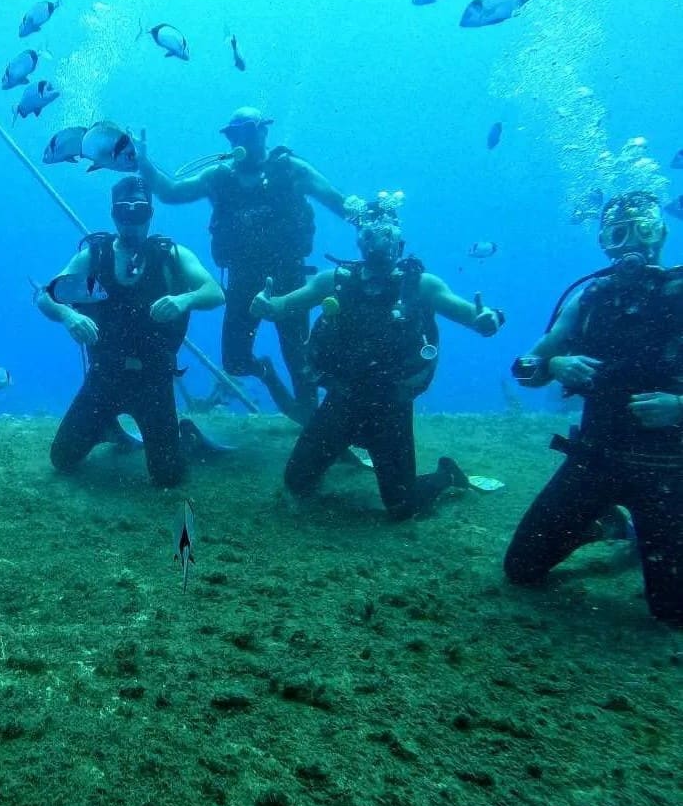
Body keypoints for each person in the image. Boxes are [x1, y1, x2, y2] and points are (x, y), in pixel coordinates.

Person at [251, 200, 504, 517]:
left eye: (387, 237)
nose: (378, 246)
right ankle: (340, 449)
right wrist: (267, 306)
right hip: (343, 397)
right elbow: (283, 305)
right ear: (360, 242)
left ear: (400, 243)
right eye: (370, 237)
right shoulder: (335, 281)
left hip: (391, 404)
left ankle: (446, 476)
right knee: (297, 482)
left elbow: (470, 314)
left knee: (401, 506)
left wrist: (487, 319)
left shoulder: (420, 285)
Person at [504, 191, 683, 626]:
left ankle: (643, 538)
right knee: (521, 568)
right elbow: (524, 368)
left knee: (673, 613)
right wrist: (553, 364)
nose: (631, 245)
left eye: (643, 231)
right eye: (617, 235)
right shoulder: (588, 299)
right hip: (595, 460)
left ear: (661, 233)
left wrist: (679, 406)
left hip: (668, 470)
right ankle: (605, 525)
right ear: (604, 244)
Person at [137, 106, 360, 423]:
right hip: (242, 279)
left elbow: (338, 202)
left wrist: (372, 222)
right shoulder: (219, 177)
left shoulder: (291, 171)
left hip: (289, 278)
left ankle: (309, 417)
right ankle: (265, 372)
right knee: (235, 361)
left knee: (299, 359)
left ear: (264, 132)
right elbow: (172, 192)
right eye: (234, 134)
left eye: (248, 132)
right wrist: (143, 163)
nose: (240, 140)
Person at [38, 176, 224, 487]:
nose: (131, 221)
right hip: (104, 377)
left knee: (168, 477)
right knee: (63, 459)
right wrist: (69, 316)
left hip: (154, 380)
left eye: (140, 212)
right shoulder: (95, 257)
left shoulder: (172, 256)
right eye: (124, 212)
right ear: (114, 215)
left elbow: (215, 292)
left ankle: (184, 436)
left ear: (150, 214)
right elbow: (46, 296)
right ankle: (106, 428)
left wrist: (185, 299)